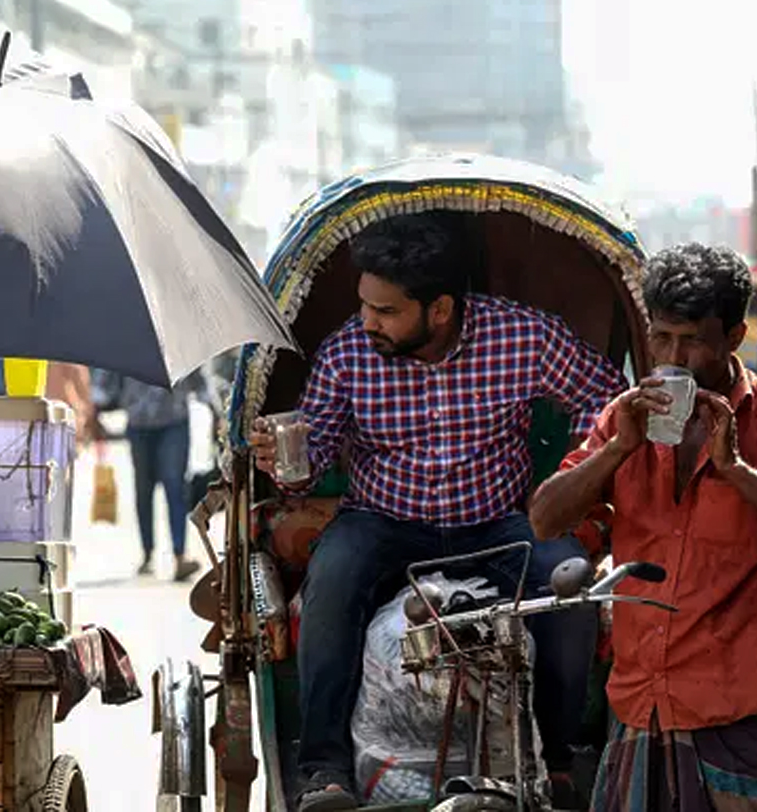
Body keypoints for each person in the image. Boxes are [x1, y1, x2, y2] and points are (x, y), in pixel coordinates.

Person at [249, 213, 627, 812]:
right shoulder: (348, 352)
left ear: (442, 309)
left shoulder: (522, 336)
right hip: (383, 519)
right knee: (331, 584)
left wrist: (567, 480)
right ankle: (325, 769)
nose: (368, 321)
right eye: (366, 306)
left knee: (570, 594)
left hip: (498, 520)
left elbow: (604, 396)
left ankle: (554, 760)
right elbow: (313, 451)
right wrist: (284, 459)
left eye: (387, 311)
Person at [530, 243, 757, 812]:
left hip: (731, 699)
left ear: (734, 336)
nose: (673, 358)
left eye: (692, 340)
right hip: (640, 696)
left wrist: (735, 469)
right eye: (661, 338)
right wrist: (619, 447)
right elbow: (546, 518)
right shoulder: (625, 419)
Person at [92, 370, 207, 582]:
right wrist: (96, 406)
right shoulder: (128, 339)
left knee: (175, 486)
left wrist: (215, 407)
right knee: (144, 490)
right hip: (138, 423)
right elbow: (106, 383)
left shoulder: (177, 339)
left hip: (174, 421)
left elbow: (197, 379)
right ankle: (147, 551)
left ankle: (180, 555)